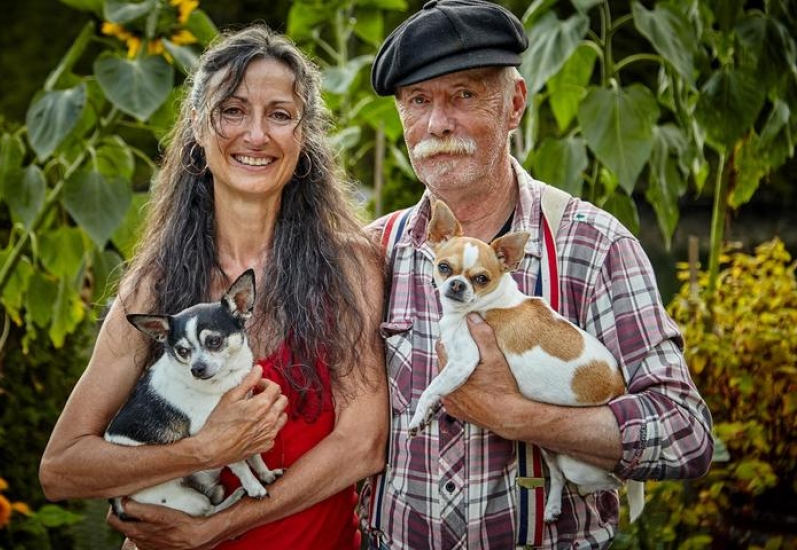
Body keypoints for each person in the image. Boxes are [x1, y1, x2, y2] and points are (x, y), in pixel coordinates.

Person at [360, 1, 714, 548]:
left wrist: (519, 415)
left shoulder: (595, 246)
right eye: (418, 100)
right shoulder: (370, 251)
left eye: (465, 95)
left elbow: (684, 433)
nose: (438, 122)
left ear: (515, 104)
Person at [39, 24, 388, 550]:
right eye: (232, 110)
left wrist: (214, 527)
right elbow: (61, 469)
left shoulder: (348, 266)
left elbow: (364, 445)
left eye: (280, 115)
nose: (255, 135)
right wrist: (201, 449)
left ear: (302, 141)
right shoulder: (154, 286)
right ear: (198, 131)